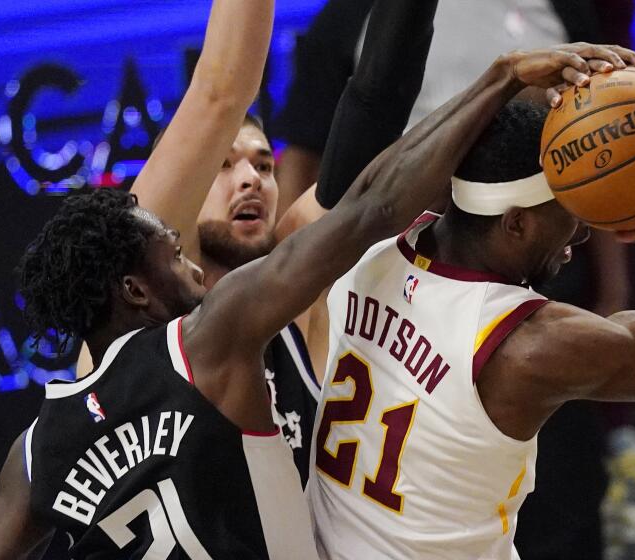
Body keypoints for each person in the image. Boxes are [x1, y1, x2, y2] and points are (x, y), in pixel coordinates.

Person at [0, 35, 629, 560]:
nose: (180, 239)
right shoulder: (213, 339)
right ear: (135, 289)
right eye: (168, 241)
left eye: (261, 161)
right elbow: (372, 199)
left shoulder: (35, 450)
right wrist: (500, 80)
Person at [306, 103, 635, 560]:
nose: (581, 234)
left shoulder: (367, 243)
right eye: (568, 211)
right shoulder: (526, 344)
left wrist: (512, 81)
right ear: (517, 223)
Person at [108, 0, 440, 486]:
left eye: (264, 165)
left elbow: (375, 102)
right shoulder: (144, 286)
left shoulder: (291, 283)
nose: (251, 180)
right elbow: (221, 90)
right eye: (223, 164)